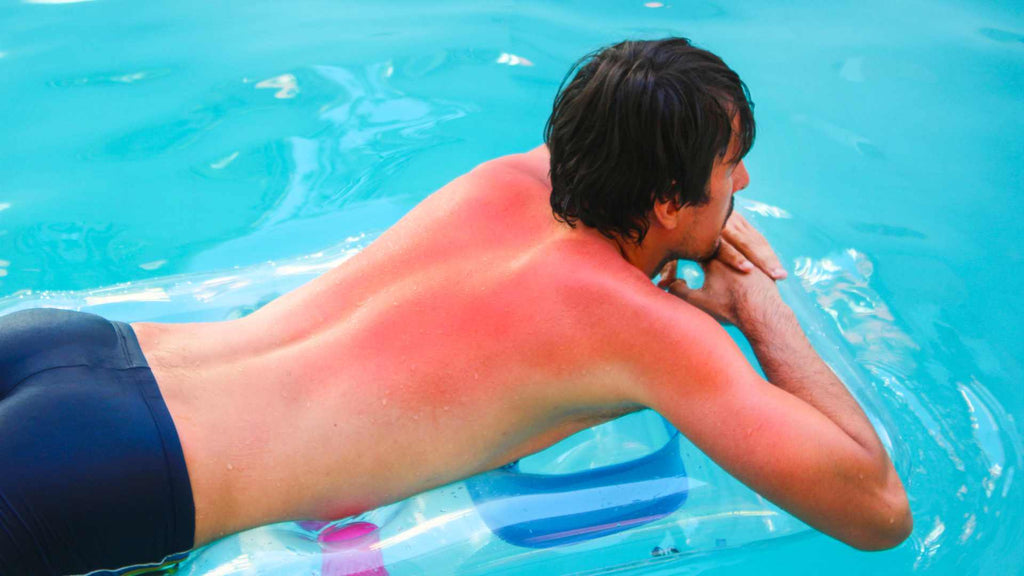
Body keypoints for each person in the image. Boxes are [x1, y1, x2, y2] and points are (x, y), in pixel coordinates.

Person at [0, 37, 912, 575]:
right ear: (669, 200)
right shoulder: (646, 334)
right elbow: (875, 512)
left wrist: (686, 222)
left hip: (75, 349)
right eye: (729, 170)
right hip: (119, 475)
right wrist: (760, 310)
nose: (745, 182)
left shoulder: (523, 177)